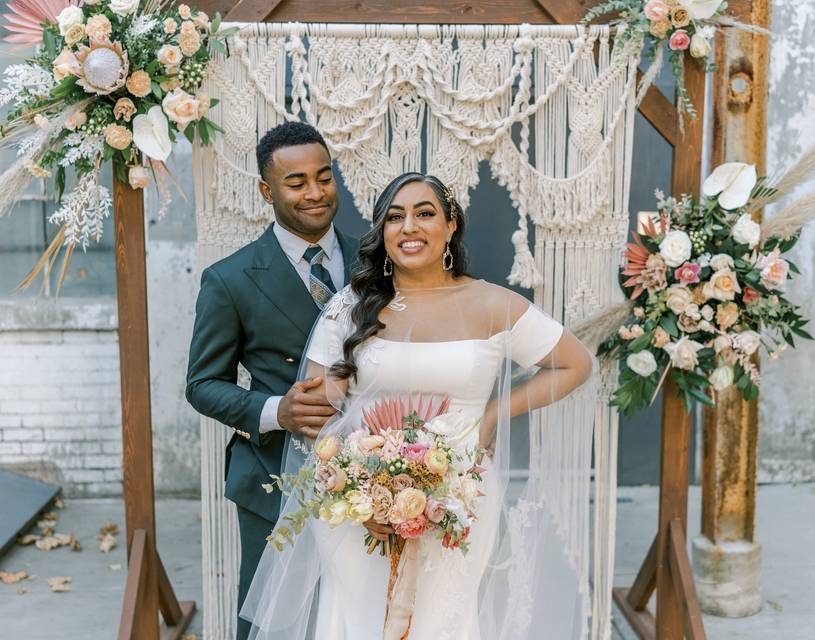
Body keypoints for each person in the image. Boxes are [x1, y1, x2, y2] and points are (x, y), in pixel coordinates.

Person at [240, 173, 596, 640]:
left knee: (442, 622)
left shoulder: (493, 304)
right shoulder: (352, 306)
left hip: (461, 495)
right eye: (394, 217)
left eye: (425, 214)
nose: (409, 227)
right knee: (361, 620)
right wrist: (358, 486)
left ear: (451, 227)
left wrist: (492, 415)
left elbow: (575, 364)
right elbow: (315, 410)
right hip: (358, 500)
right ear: (382, 233)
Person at [185, 121, 359, 640]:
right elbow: (202, 384)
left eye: (324, 178)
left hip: (377, 469)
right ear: (267, 191)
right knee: (272, 621)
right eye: (296, 182)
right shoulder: (231, 278)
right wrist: (275, 411)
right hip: (274, 480)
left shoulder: (379, 259)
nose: (315, 193)